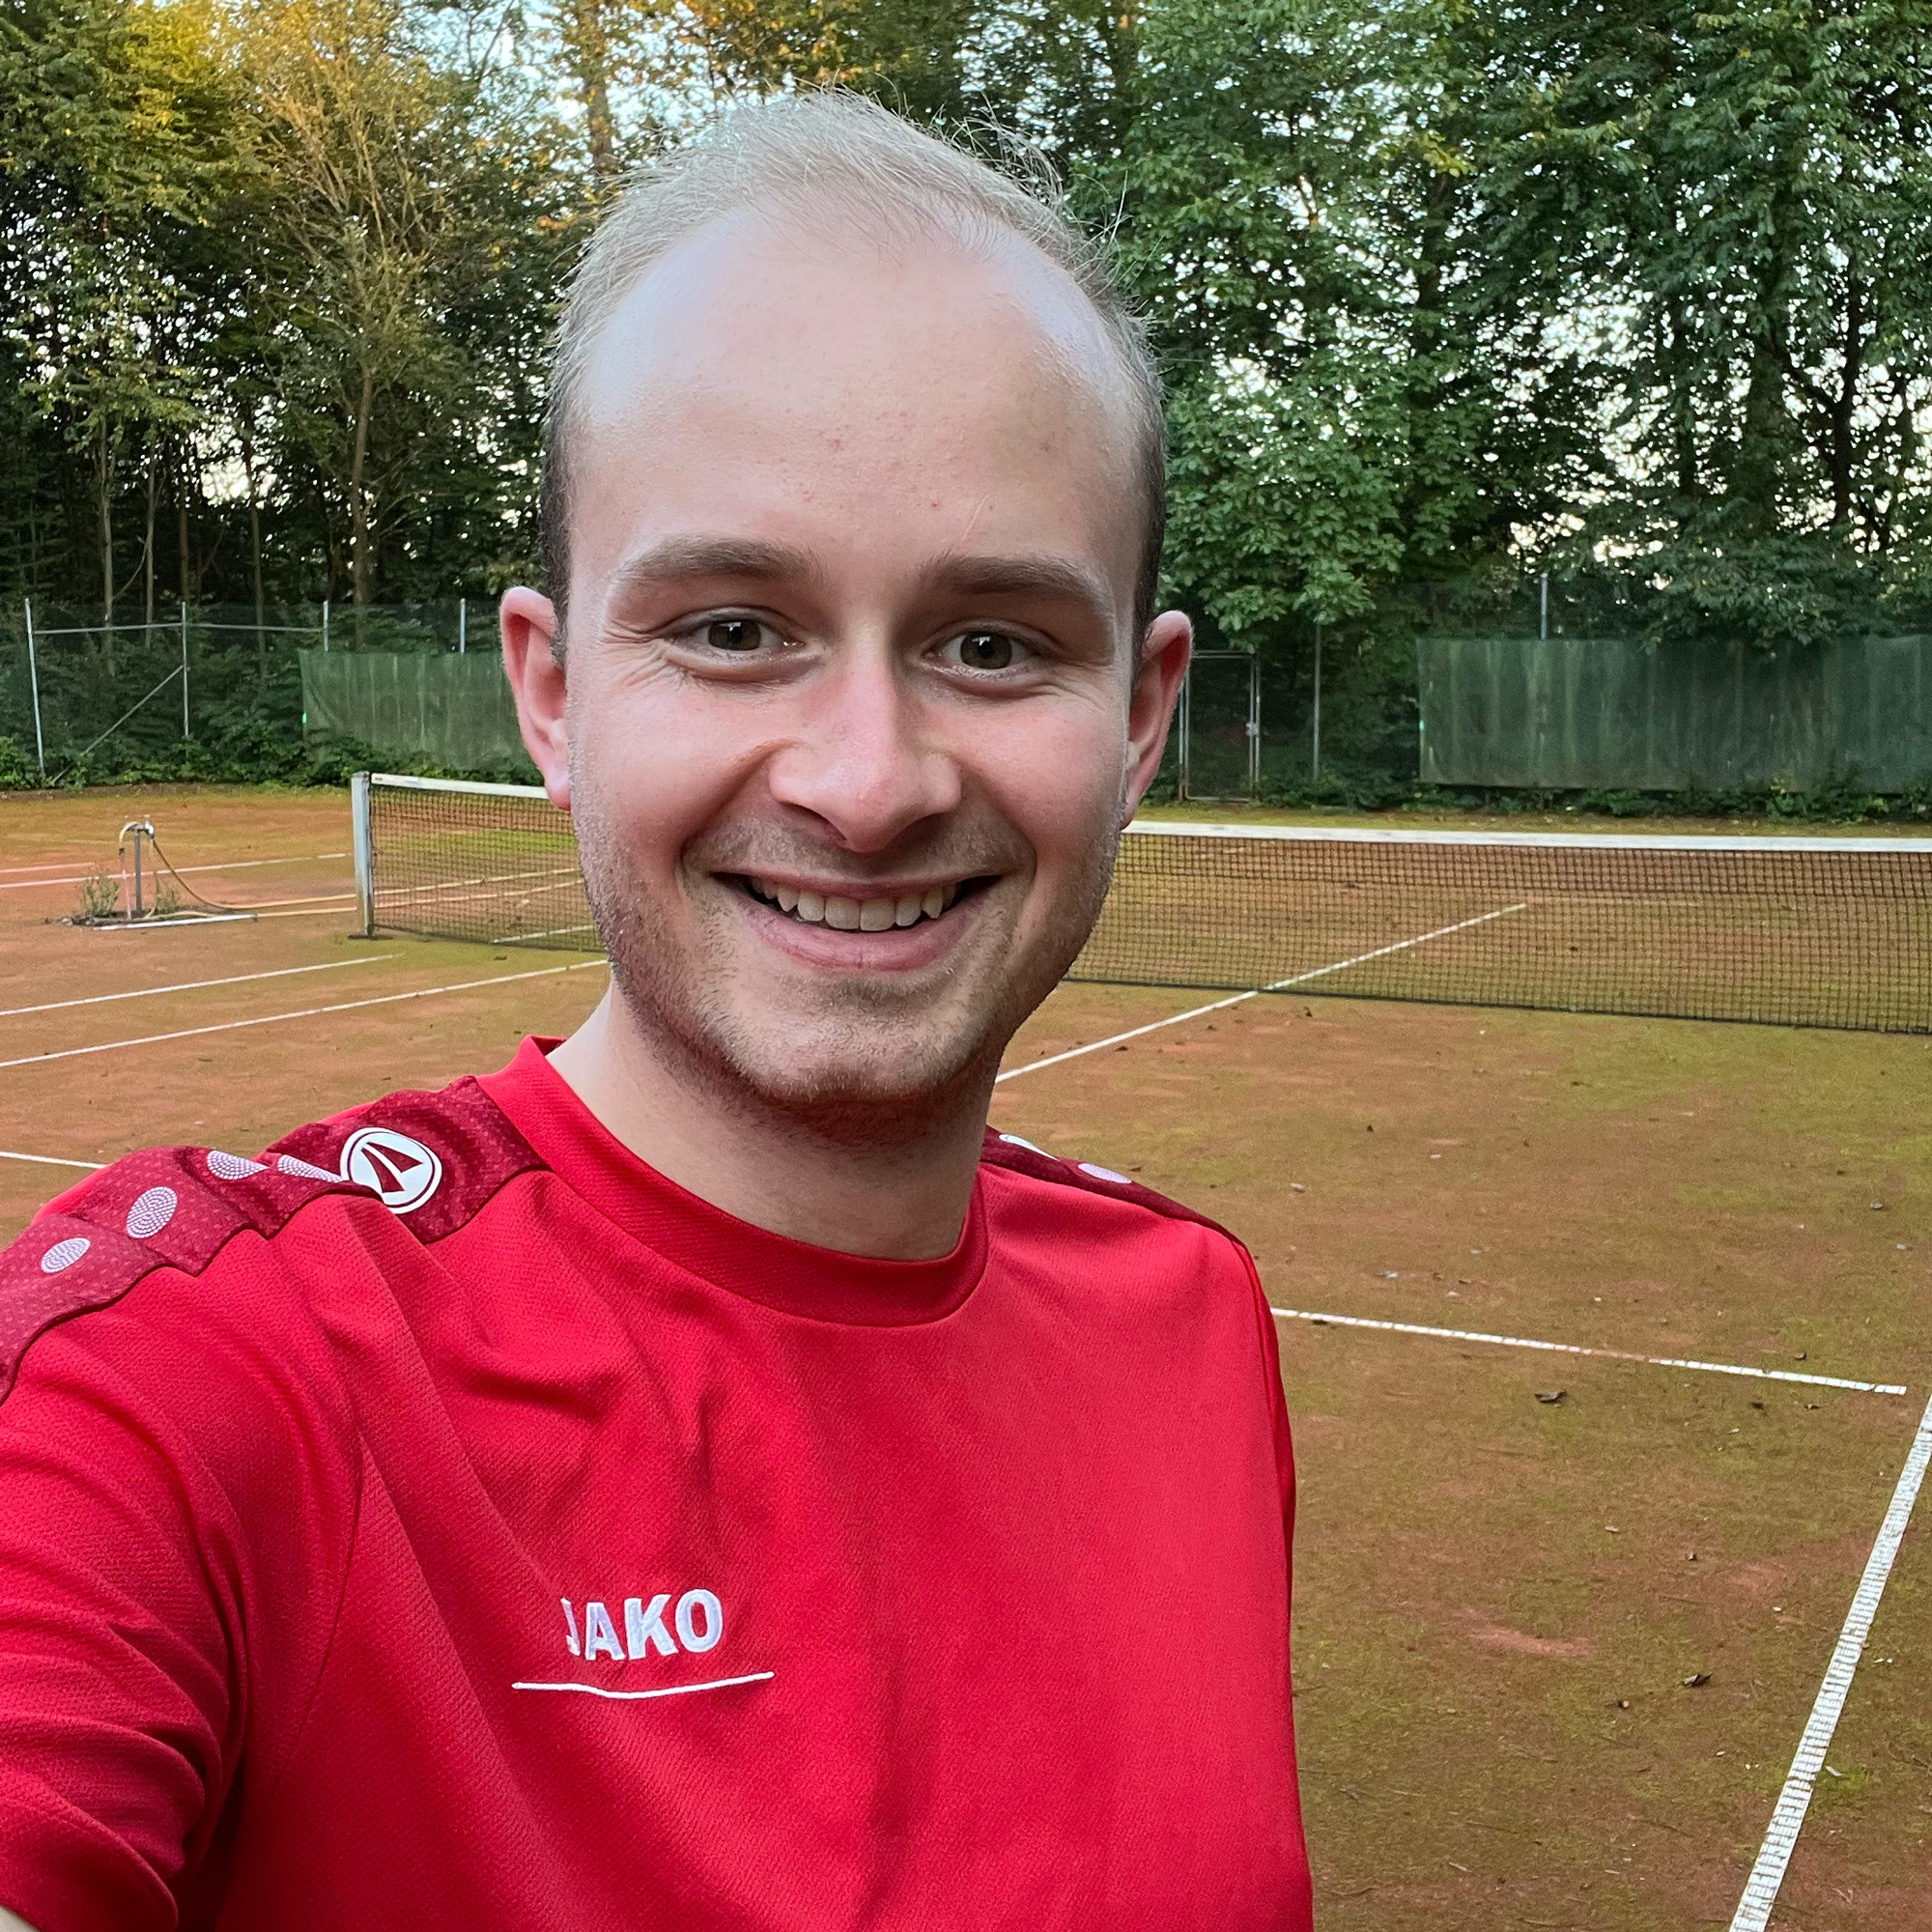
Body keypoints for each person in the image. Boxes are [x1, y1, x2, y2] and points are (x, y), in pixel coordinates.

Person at [0, 95, 1313, 1931]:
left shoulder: (1192, 1318)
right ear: (551, 693)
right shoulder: (196, 1380)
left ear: (1142, 721)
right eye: (728, 627)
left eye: (993, 642)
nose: (868, 783)